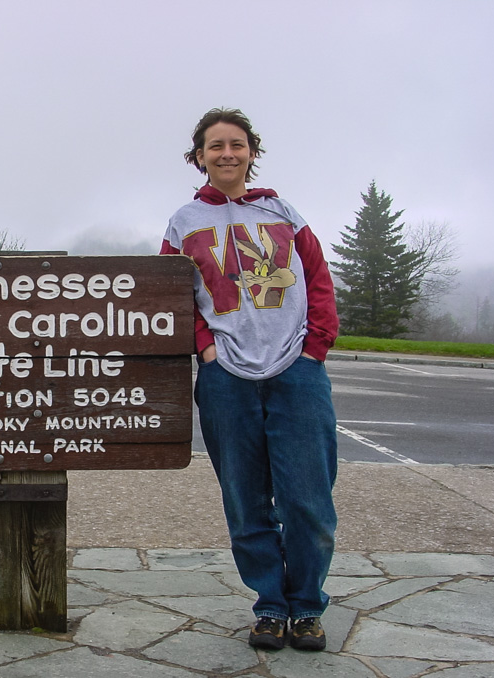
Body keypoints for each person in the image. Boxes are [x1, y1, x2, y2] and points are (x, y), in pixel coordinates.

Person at [160, 108, 339, 651]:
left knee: (308, 498)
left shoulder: (283, 212)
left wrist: (315, 349)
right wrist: (206, 349)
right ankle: (269, 605)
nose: (227, 154)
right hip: (226, 379)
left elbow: (318, 280)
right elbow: (171, 293)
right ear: (199, 157)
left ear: (251, 152)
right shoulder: (184, 222)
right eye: (215, 146)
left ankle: (306, 606)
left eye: (236, 144)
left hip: (296, 373)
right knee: (245, 499)